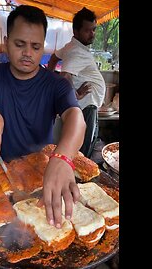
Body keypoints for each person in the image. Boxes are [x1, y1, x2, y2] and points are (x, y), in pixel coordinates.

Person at [0, 5, 86, 229]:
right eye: (19, 44)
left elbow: (76, 118)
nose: (28, 53)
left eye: (36, 46)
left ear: (43, 49)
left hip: (46, 175)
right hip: (0, 177)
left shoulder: (56, 84)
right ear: (6, 42)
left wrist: (63, 158)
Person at [47, 7, 106, 158]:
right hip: (87, 108)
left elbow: (54, 58)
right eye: (87, 30)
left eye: (93, 29)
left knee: (80, 149)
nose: (92, 34)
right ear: (76, 31)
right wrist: (75, 94)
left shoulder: (71, 46)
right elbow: (64, 77)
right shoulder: (76, 52)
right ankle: (77, 180)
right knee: (82, 153)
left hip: (85, 107)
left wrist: (48, 77)